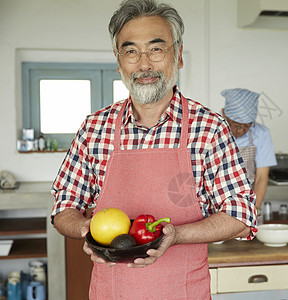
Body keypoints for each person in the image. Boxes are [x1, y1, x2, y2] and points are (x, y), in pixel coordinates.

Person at [50, 0, 257, 298]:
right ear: (119, 61)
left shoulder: (209, 128)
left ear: (179, 55)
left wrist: (178, 235)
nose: (144, 63)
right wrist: (86, 230)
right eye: (131, 51)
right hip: (111, 292)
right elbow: (63, 206)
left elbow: (241, 215)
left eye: (156, 49)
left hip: (183, 292)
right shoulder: (94, 128)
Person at [221, 88, 277, 210]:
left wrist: (253, 211)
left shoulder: (261, 134)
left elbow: (261, 178)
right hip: (214, 203)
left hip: (247, 202)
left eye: (246, 126)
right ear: (224, 113)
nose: (240, 131)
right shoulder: (211, 130)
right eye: (235, 125)